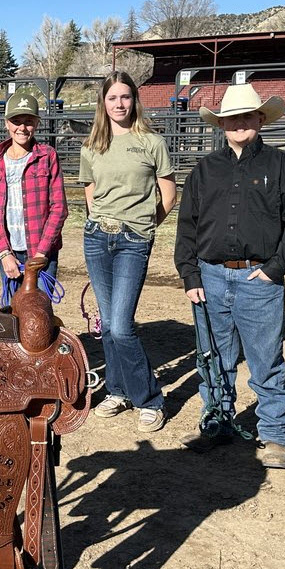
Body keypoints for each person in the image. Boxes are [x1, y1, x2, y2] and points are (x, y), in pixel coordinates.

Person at [174, 83, 285, 469]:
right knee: (214, 358)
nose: (238, 123)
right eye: (231, 118)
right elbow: (188, 226)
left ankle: (275, 434)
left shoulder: (281, 167)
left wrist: (274, 270)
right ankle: (216, 421)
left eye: (246, 116)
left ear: (260, 120)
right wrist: (190, 275)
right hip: (211, 276)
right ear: (221, 124)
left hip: (258, 278)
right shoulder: (204, 170)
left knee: (266, 361)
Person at [80, 71, 177, 431]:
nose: (119, 104)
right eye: (112, 98)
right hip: (97, 238)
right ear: (103, 104)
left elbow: (168, 193)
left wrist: (147, 226)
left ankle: (149, 398)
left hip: (133, 241)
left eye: (125, 97)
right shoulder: (92, 146)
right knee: (107, 325)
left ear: (134, 100)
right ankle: (118, 390)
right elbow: (91, 195)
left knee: (121, 326)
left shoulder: (151, 142)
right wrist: (100, 223)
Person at [0, 90, 68, 296]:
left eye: (28, 121)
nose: (22, 128)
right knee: (11, 314)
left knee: (38, 314)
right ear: (7, 123)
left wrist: (41, 253)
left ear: (37, 124)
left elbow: (58, 207)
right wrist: (4, 253)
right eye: (16, 121)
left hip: (41, 251)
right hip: (11, 251)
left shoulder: (47, 156)